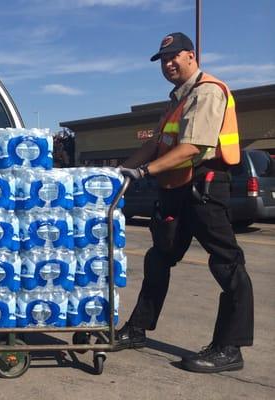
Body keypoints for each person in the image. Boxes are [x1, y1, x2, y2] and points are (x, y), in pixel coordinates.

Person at [117, 32, 254, 373]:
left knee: (227, 263)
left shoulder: (207, 91)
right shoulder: (177, 98)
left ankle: (230, 348)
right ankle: (137, 329)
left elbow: (193, 146)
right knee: (159, 257)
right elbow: (156, 144)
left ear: (191, 55)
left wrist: (144, 172)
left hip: (204, 187)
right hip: (177, 190)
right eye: (164, 60)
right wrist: (119, 172)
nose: (168, 64)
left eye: (175, 56)